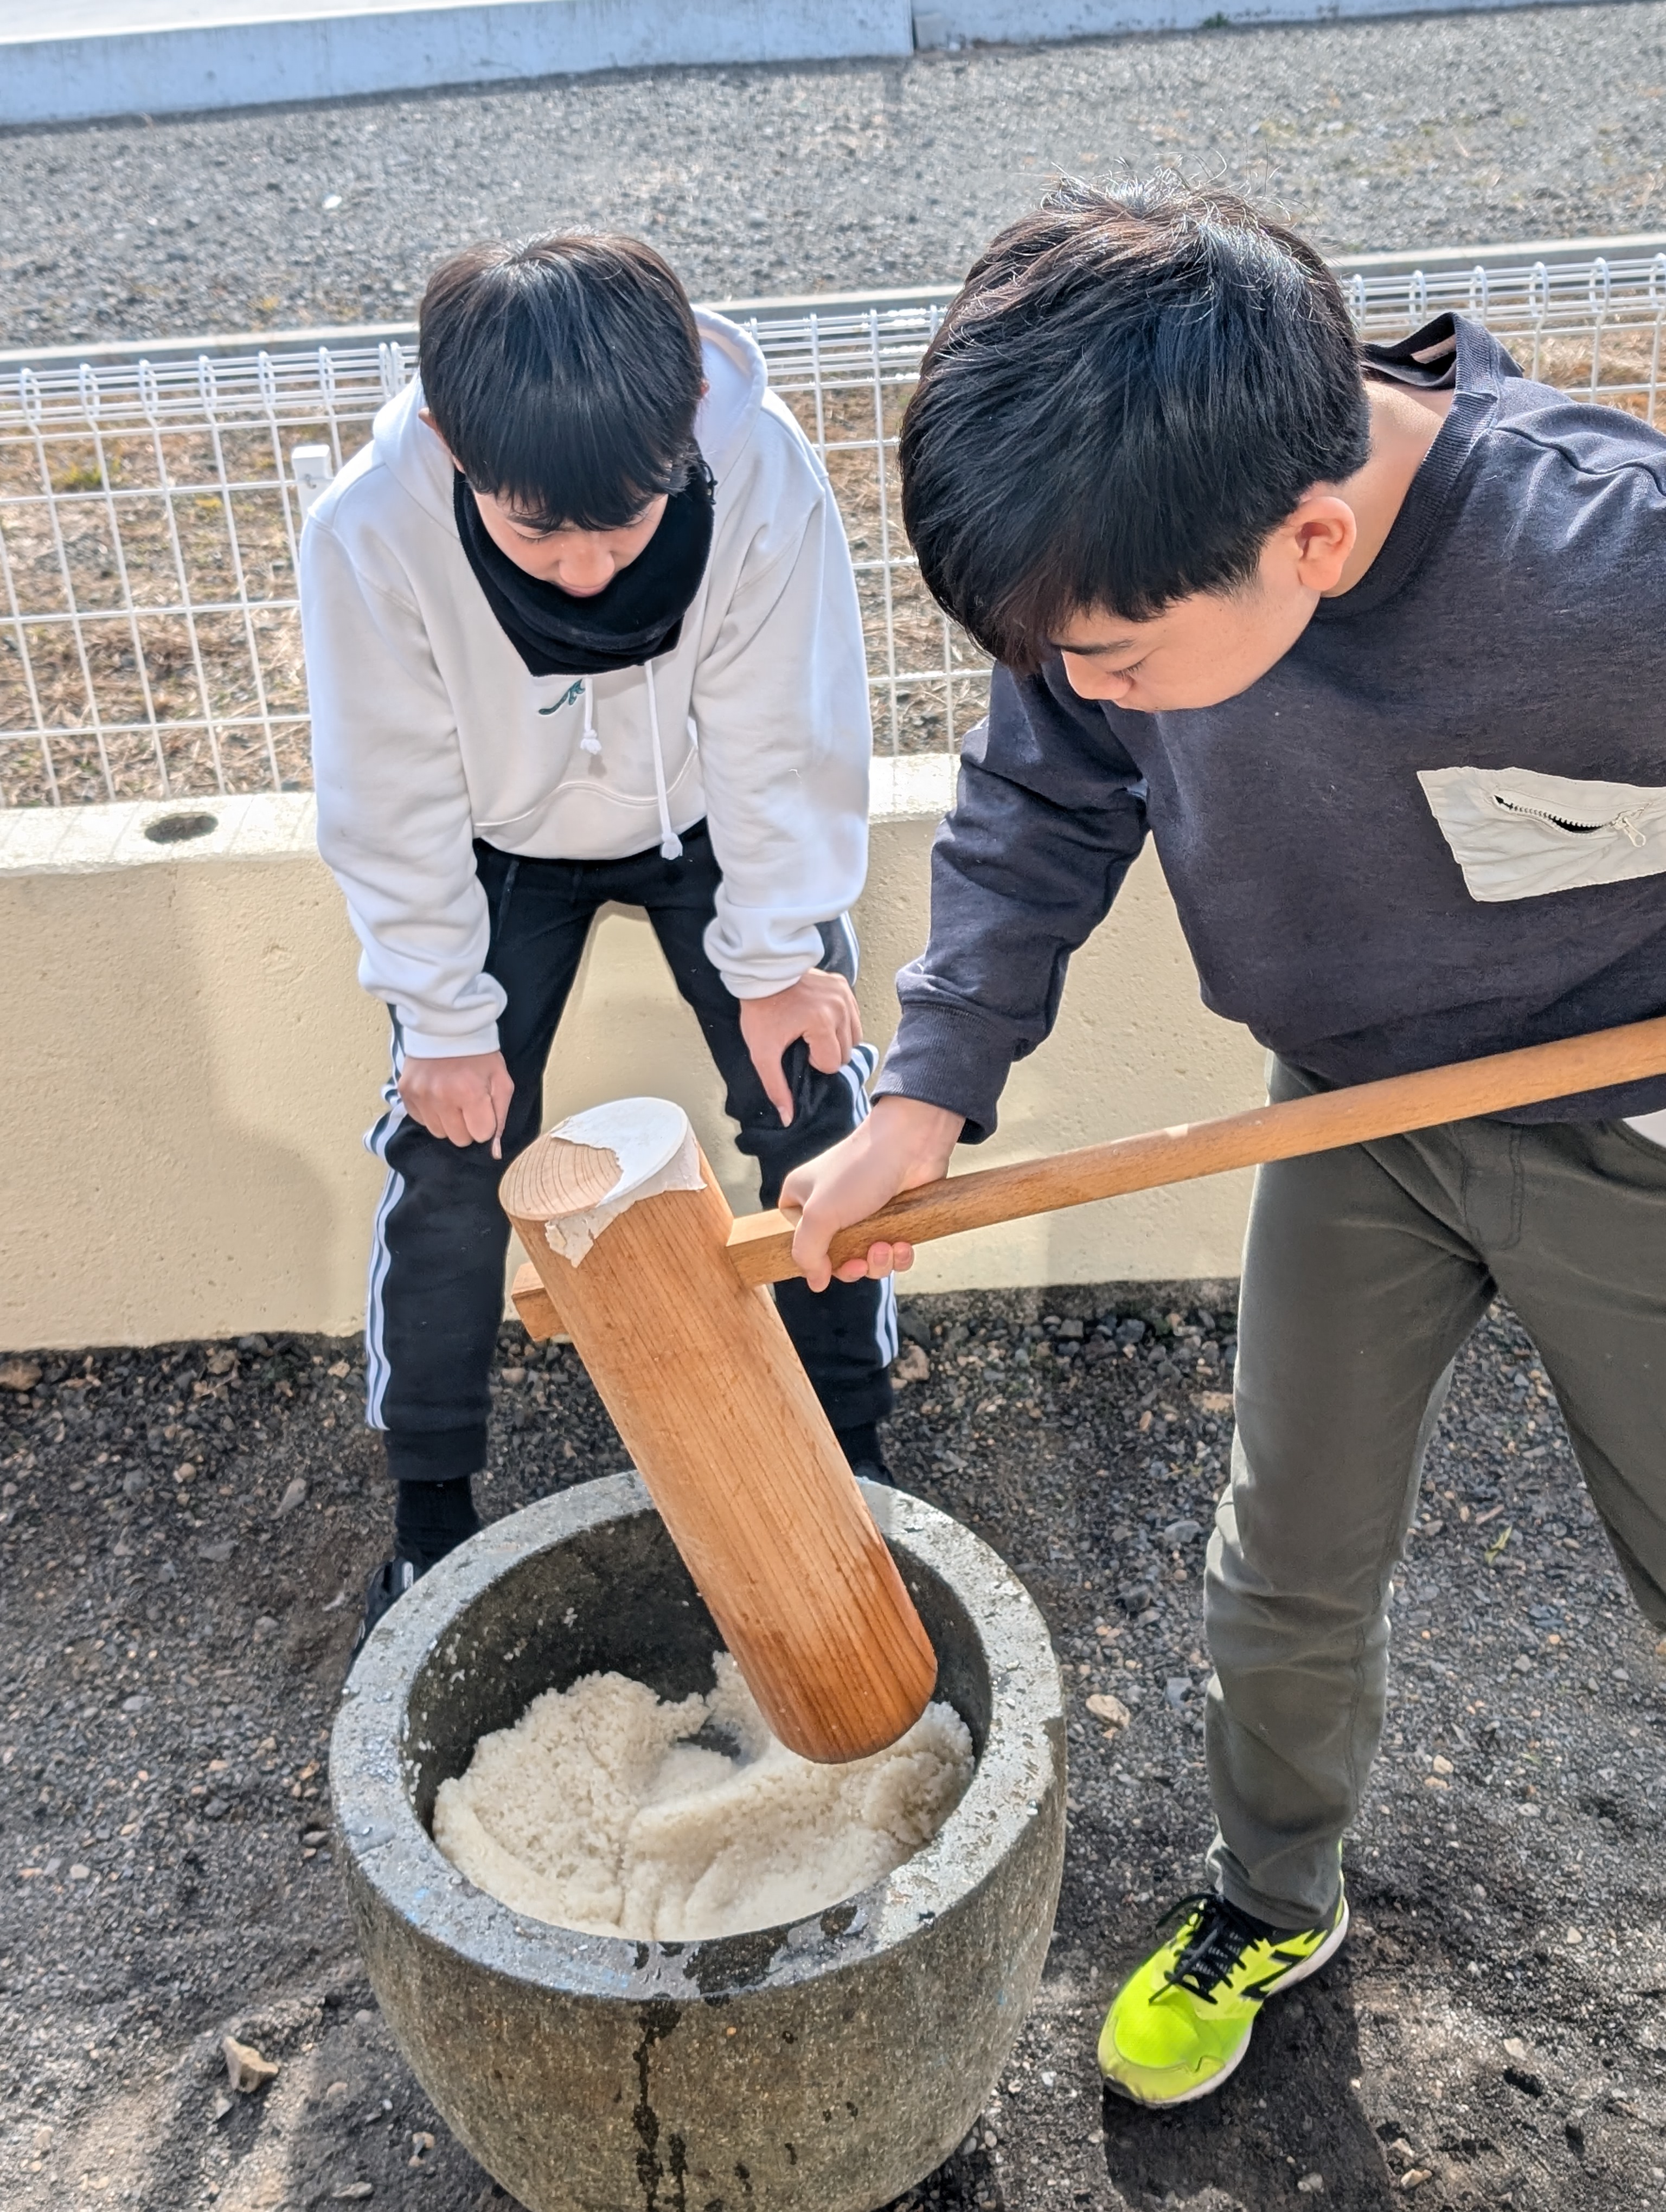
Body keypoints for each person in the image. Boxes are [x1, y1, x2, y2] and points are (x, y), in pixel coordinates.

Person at [778, 179, 1666, 2106]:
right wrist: (925, 1095)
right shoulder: (1122, 549)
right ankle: (1271, 1898)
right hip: (1358, 1110)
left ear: (1313, 538)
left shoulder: (1616, 568)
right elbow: (1040, 801)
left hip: (1636, 1139)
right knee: (1286, 1564)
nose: (1087, 689)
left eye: (1112, 657)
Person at [300, 233, 896, 1658]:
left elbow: (783, 728)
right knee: (450, 1152)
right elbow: (388, 785)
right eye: (537, 537)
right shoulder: (370, 527)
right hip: (497, 840)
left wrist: (778, 958)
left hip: (711, 821)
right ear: (453, 449)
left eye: (625, 528)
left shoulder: (756, 467)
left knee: (811, 1100)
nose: (583, 570)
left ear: (684, 418)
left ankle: (857, 1458)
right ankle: (430, 1512)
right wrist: (443, 1018)